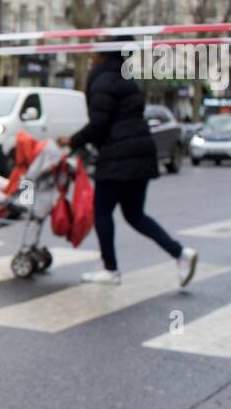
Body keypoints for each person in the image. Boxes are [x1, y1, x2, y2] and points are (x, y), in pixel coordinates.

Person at [56, 44, 198, 287]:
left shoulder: (102, 80)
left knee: (102, 212)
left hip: (118, 156)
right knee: (135, 215)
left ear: (101, 56)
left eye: (93, 53)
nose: (89, 57)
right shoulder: (127, 78)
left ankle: (110, 268)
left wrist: (72, 140)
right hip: (141, 152)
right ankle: (180, 253)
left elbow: (99, 122)